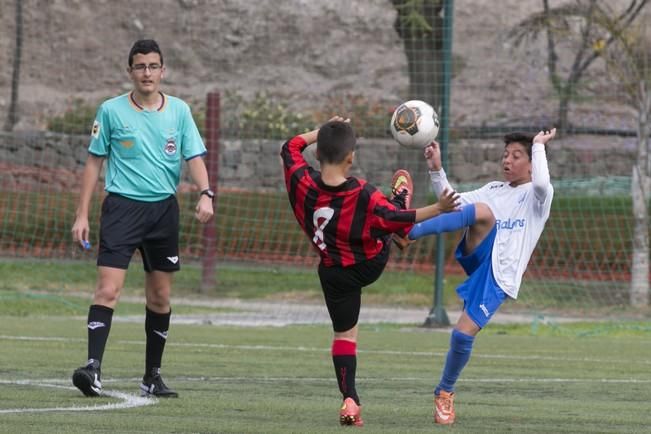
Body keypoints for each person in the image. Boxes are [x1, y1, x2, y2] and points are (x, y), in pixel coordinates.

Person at [280, 116, 459, 426]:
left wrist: (323, 129)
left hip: (333, 272)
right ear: (351, 157)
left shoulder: (301, 181)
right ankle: (398, 215)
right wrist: (439, 208)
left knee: (344, 334)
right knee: (392, 217)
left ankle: (350, 400)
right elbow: (403, 216)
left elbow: (290, 146)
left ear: (319, 152)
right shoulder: (364, 194)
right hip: (369, 263)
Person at [70, 39, 214, 398]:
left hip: (163, 211)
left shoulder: (179, 111)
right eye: (140, 66)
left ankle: (152, 376)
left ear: (162, 71)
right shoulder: (111, 111)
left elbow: (193, 155)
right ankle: (93, 368)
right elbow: (93, 162)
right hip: (121, 208)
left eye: (153, 66)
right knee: (107, 288)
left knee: (160, 297)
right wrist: (81, 214)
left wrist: (206, 192)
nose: (147, 73)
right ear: (130, 71)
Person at [404, 129, 556, 424]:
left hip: (499, 277)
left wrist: (538, 145)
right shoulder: (494, 190)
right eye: (505, 155)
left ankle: (444, 394)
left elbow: (542, 183)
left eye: (516, 156)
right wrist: (437, 169)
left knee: (461, 335)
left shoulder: (538, 197)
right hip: (479, 256)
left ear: (532, 163)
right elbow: (452, 204)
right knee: (483, 211)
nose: (507, 161)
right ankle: (409, 232)